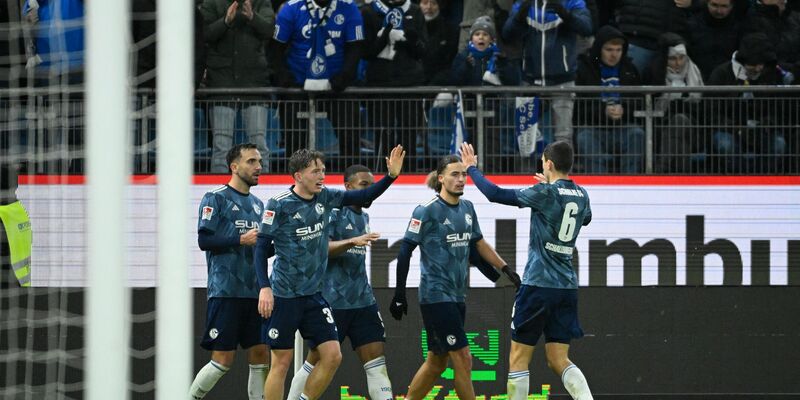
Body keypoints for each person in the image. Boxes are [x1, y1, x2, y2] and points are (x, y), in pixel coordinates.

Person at [254, 145, 406, 400]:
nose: (322, 176)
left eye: (323, 170)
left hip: (313, 296)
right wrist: (264, 287)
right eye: (316, 171)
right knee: (281, 363)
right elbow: (260, 249)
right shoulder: (278, 205)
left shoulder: (326, 198)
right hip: (284, 295)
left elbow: (363, 195)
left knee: (333, 355)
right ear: (299, 175)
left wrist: (390, 177)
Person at [459, 141, 593, 400]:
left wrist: (472, 169)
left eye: (544, 162)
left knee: (519, 358)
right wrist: (551, 186)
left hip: (538, 286)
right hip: (566, 288)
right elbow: (585, 218)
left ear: (549, 164)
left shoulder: (544, 193)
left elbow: (495, 194)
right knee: (558, 359)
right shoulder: (582, 194)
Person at [390, 155, 521, 400]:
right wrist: (399, 294)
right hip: (436, 296)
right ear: (441, 179)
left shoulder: (468, 208)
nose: (461, 179)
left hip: (457, 295)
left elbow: (478, 244)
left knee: (436, 363)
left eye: (463, 174)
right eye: (454, 174)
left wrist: (506, 270)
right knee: (463, 358)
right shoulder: (426, 210)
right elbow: (405, 251)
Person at [286, 164, 394, 400]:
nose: (369, 190)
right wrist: (352, 241)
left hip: (363, 301)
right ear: (348, 187)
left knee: (376, 360)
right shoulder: (333, 212)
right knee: (316, 360)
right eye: (364, 185)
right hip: (332, 301)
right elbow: (320, 248)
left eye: (371, 185)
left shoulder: (363, 216)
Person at [190, 143, 269, 400]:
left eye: (259, 161)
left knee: (260, 355)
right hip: (226, 292)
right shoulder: (215, 198)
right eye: (251, 162)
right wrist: (240, 239)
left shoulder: (259, 204)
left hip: (255, 294)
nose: (259, 167)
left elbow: (261, 249)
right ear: (234, 167)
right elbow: (204, 241)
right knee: (223, 360)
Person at [271, 0, 365, 171]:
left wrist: (343, 77)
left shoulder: (349, 8)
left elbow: (355, 48)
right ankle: (296, 179)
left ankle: (353, 178)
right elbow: (275, 48)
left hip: (336, 86)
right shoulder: (291, 9)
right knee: (295, 141)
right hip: (298, 86)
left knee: (350, 133)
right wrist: (285, 78)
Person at [503, 0, 593, 146]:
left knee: (563, 137)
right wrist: (519, 17)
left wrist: (567, 16)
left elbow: (587, 27)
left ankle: (562, 169)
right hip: (530, 80)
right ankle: (527, 170)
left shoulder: (572, 2)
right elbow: (507, 34)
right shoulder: (524, 2)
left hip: (563, 82)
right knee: (525, 139)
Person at [200, 0, 275, 173]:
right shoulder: (211, 3)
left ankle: (264, 193)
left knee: (259, 144)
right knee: (221, 146)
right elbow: (205, 34)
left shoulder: (261, 2)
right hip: (221, 83)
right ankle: (219, 196)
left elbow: (270, 31)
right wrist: (225, 21)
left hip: (255, 83)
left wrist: (252, 17)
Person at [706, 32, 788, 173]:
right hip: (728, 130)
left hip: (763, 131)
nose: (758, 69)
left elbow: (778, 109)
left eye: (761, 64)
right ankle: (738, 182)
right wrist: (737, 128)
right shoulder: (721, 73)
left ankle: (763, 182)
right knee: (725, 144)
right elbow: (710, 113)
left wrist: (766, 124)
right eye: (754, 64)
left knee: (778, 144)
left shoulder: (771, 74)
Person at [361, 0, 428, 169]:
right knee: (383, 133)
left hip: (410, 84)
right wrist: (386, 34)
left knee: (409, 133)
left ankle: (411, 172)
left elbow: (423, 50)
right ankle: (384, 173)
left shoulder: (415, 11)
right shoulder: (369, 12)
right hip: (380, 84)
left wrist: (409, 40)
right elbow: (367, 52)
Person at [574, 25, 643, 174]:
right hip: (593, 128)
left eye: (618, 50)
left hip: (624, 127)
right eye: (609, 50)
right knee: (584, 138)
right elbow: (579, 108)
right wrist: (603, 111)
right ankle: (598, 186)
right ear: (599, 49)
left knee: (637, 134)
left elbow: (639, 101)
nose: (614, 55)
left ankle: (630, 184)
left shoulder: (629, 69)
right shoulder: (585, 69)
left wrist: (624, 109)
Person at [642, 32, 705, 174]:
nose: (678, 63)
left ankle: (661, 168)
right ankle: (683, 174)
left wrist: (675, 105)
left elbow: (700, 109)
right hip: (659, 128)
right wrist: (681, 104)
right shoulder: (653, 73)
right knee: (679, 125)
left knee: (680, 120)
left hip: (693, 130)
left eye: (682, 58)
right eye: (672, 59)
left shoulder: (694, 72)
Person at [687, 0, 743, 80]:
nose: (719, 11)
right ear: (706, 3)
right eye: (714, 5)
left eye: (724, 6)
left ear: (731, 6)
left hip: (729, 82)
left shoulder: (739, 28)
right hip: (697, 79)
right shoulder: (692, 26)